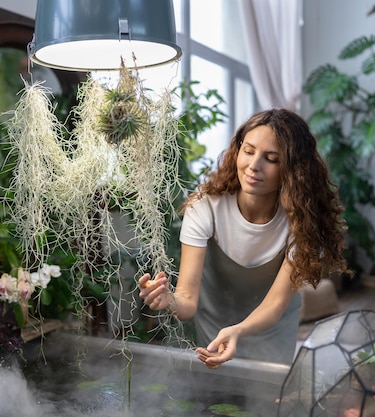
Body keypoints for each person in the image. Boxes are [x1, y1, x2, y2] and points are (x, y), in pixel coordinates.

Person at [138, 108, 349, 368]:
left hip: (271, 333)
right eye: (248, 151)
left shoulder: (302, 223)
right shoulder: (205, 208)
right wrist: (167, 300)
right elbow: (188, 302)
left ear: (293, 169)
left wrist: (237, 331)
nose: (254, 166)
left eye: (270, 159)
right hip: (210, 330)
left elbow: (274, 305)